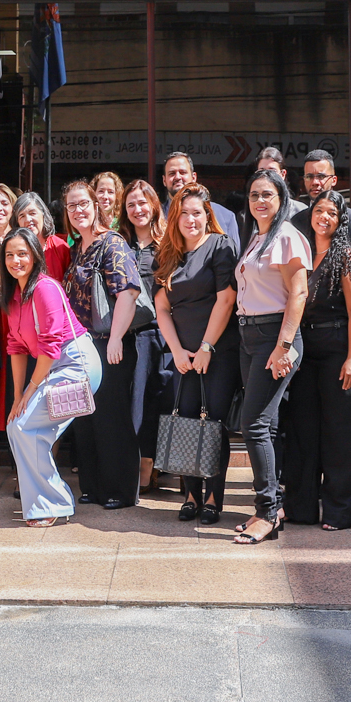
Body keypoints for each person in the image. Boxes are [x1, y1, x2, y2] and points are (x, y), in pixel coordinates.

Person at [230, 168, 311, 545]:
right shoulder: (256, 238)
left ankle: (266, 512)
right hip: (250, 335)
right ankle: (272, 505)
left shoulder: (288, 236)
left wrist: (284, 345)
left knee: (254, 425)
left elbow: (298, 293)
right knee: (267, 423)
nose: (260, 201)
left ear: (281, 199)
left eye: (267, 195)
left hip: (274, 337)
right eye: (253, 196)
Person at [1, 227, 101, 527]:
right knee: (19, 425)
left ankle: (53, 503)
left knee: (25, 427)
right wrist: (18, 396)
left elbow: (51, 344)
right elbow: (16, 347)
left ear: (34, 255)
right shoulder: (13, 295)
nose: (15, 260)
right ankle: (44, 502)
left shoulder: (45, 287)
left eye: (22, 253)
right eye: (9, 254)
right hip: (55, 367)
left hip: (76, 366)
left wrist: (31, 390)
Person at [282, 190, 351, 531]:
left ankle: (338, 511)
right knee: (302, 430)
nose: (325, 217)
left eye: (332, 213)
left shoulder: (345, 256)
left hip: (338, 346)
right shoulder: (302, 252)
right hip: (307, 349)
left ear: (340, 219)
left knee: (339, 433)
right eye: (320, 210)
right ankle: (301, 508)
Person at [152, 184, 238, 525]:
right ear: (176, 217)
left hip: (218, 352)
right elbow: (161, 307)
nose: (191, 219)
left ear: (208, 216)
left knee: (214, 423)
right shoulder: (168, 252)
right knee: (186, 420)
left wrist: (206, 348)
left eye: (197, 213)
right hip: (182, 356)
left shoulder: (221, 245)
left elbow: (226, 300)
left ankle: (214, 498)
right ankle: (189, 497)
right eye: (184, 213)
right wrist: (177, 351)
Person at [62, 178, 143, 510]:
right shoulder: (75, 248)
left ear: (97, 205)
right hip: (81, 348)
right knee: (85, 417)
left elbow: (129, 291)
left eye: (84, 203)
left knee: (111, 419)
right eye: (72, 205)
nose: (79, 210)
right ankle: (92, 487)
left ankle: (119, 491)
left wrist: (116, 338)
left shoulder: (112, 243)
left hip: (110, 345)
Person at [120, 178, 170, 497]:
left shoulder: (168, 243)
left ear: (154, 206)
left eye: (142, 203)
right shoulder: (119, 243)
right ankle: (133, 469)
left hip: (162, 335)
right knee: (131, 405)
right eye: (131, 205)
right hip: (127, 335)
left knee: (156, 402)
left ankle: (149, 469)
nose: (138, 209)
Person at [291, 149, 351, 260]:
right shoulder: (297, 220)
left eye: (321, 177)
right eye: (309, 176)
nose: (315, 182)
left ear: (334, 180)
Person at [162, 152, 240, 242]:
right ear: (164, 180)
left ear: (194, 177)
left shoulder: (225, 216)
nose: (178, 177)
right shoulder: (156, 217)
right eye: (172, 173)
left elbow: (234, 254)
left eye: (183, 172)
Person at [13, 191, 71, 282]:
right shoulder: (14, 250)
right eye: (22, 216)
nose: (28, 219)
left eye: (32, 213)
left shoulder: (59, 247)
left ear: (43, 214)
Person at [257, 148, 306, 218]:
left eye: (272, 171)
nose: (266, 176)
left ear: (283, 174)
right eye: (261, 172)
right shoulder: (253, 210)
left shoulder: (300, 211)